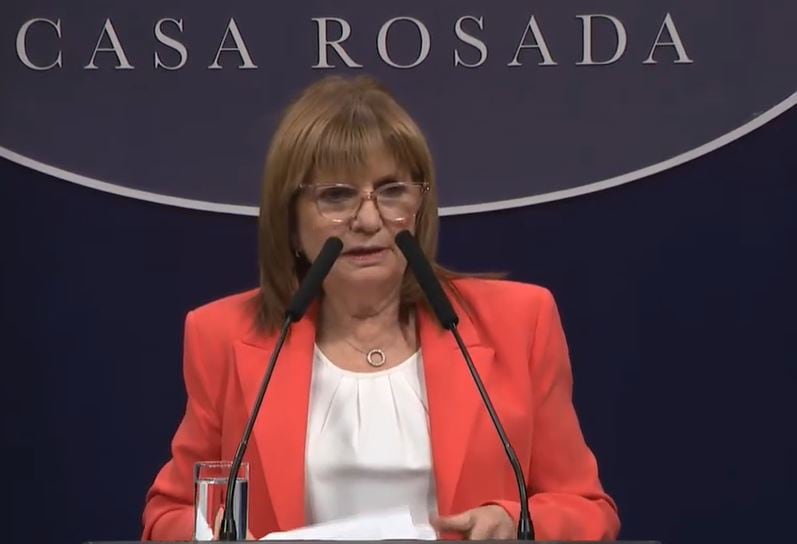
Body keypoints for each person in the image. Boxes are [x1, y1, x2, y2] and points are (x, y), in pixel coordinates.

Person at [141, 75, 620, 541]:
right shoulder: (223, 335)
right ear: (290, 222)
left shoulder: (519, 322)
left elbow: (586, 508)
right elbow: (170, 515)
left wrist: (513, 521)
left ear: (419, 207)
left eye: (392, 191)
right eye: (336, 196)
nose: (369, 220)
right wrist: (213, 538)